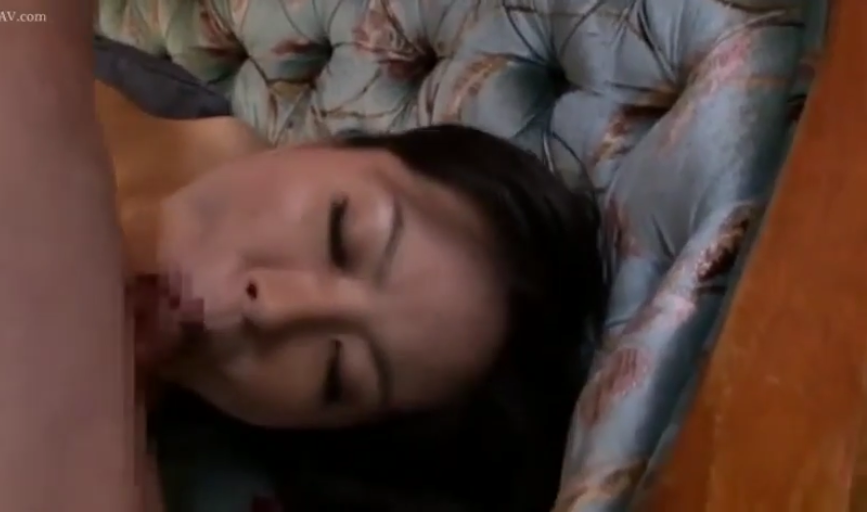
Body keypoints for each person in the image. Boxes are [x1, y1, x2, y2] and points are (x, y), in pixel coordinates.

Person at [101, 69, 610, 509]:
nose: (275, 310)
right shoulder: (136, 88)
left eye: (336, 375)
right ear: (329, 145)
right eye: (339, 234)